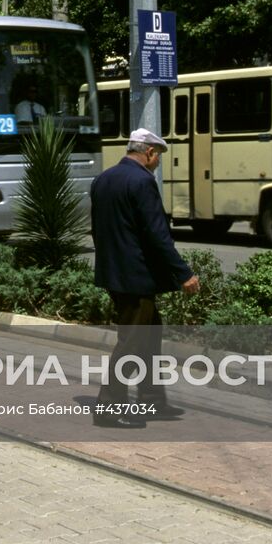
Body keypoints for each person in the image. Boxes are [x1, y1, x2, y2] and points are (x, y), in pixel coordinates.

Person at [89, 128, 199, 429]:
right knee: (132, 343)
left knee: (148, 337)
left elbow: (100, 230)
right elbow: (157, 235)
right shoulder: (142, 181)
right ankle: (109, 408)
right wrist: (183, 273)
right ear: (149, 152)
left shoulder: (104, 179)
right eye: (158, 157)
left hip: (114, 273)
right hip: (136, 277)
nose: (158, 163)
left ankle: (151, 400)